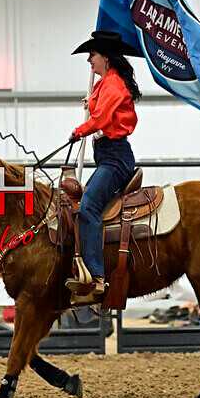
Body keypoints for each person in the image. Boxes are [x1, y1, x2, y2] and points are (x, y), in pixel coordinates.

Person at [66, 31, 141, 296]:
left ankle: (96, 275)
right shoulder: (106, 83)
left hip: (114, 157)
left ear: (105, 57)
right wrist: (92, 102)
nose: (89, 60)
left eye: (92, 55)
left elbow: (99, 120)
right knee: (80, 204)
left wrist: (79, 130)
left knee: (88, 207)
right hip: (108, 155)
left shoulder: (112, 84)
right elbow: (103, 110)